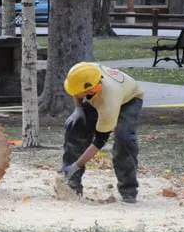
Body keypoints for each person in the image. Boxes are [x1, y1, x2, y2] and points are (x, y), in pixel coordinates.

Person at [60, 62, 144, 203]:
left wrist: (76, 165)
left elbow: (99, 142)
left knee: (124, 139)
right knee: (76, 128)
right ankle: (72, 185)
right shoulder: (84, 72)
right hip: (102, 94)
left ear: (91, 89)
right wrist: (78, 109)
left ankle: (128, 190)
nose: (74, 94)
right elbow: (76, 91)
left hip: (129, 100)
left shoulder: (108, 102)